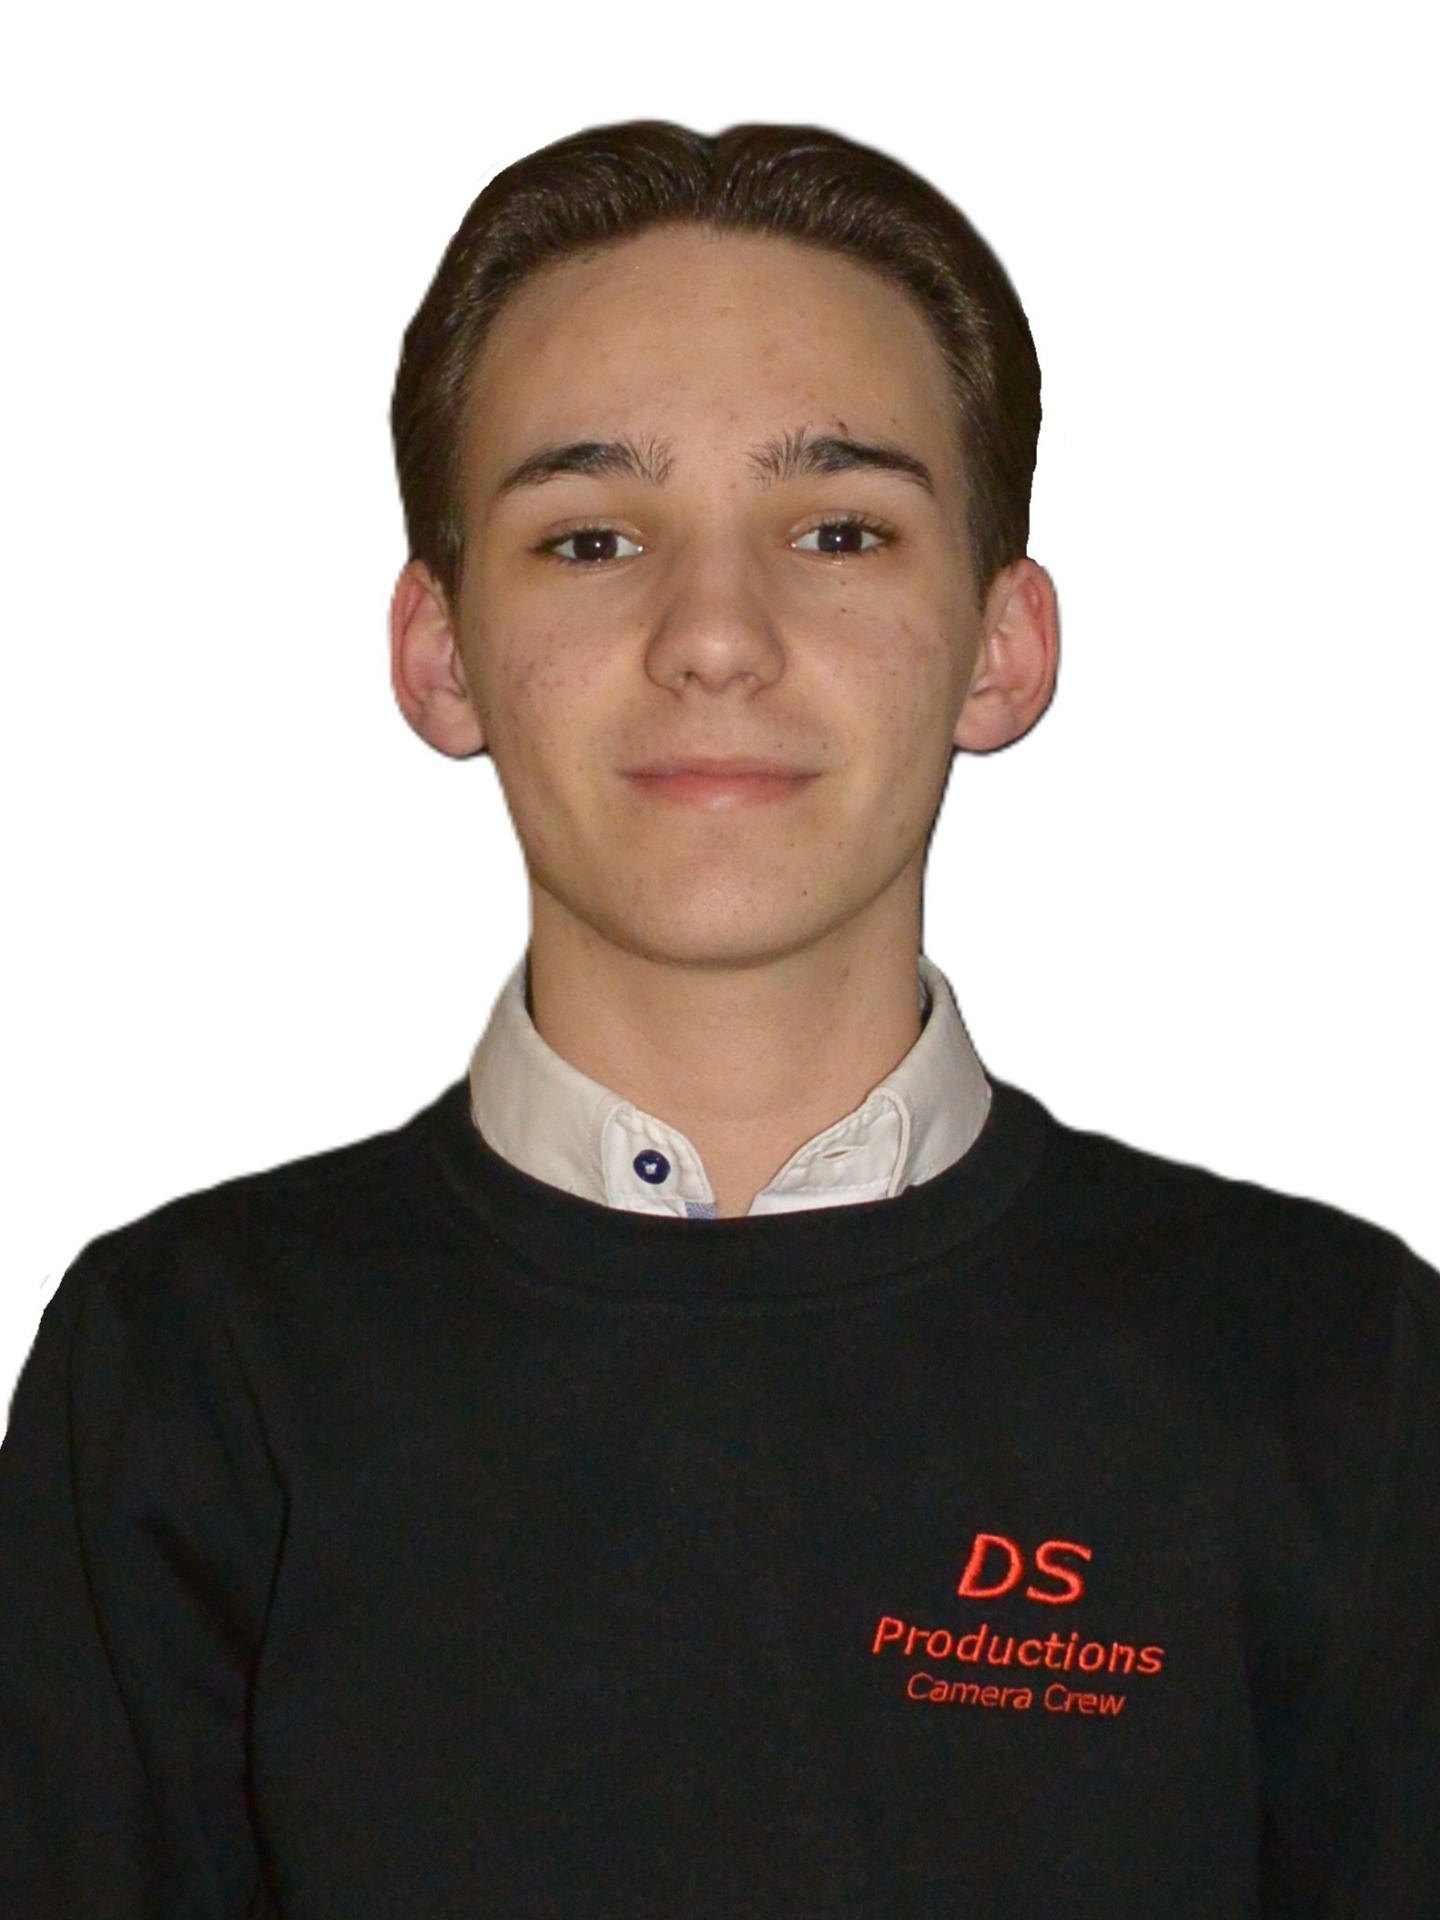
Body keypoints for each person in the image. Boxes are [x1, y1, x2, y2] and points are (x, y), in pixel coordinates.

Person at [2, 119, 1436, 1919]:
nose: (715, 634)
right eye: (593, 536)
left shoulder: (1329, 1366)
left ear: (1001, 644)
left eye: (838, 530)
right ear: (439, 649)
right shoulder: (189, 1370)